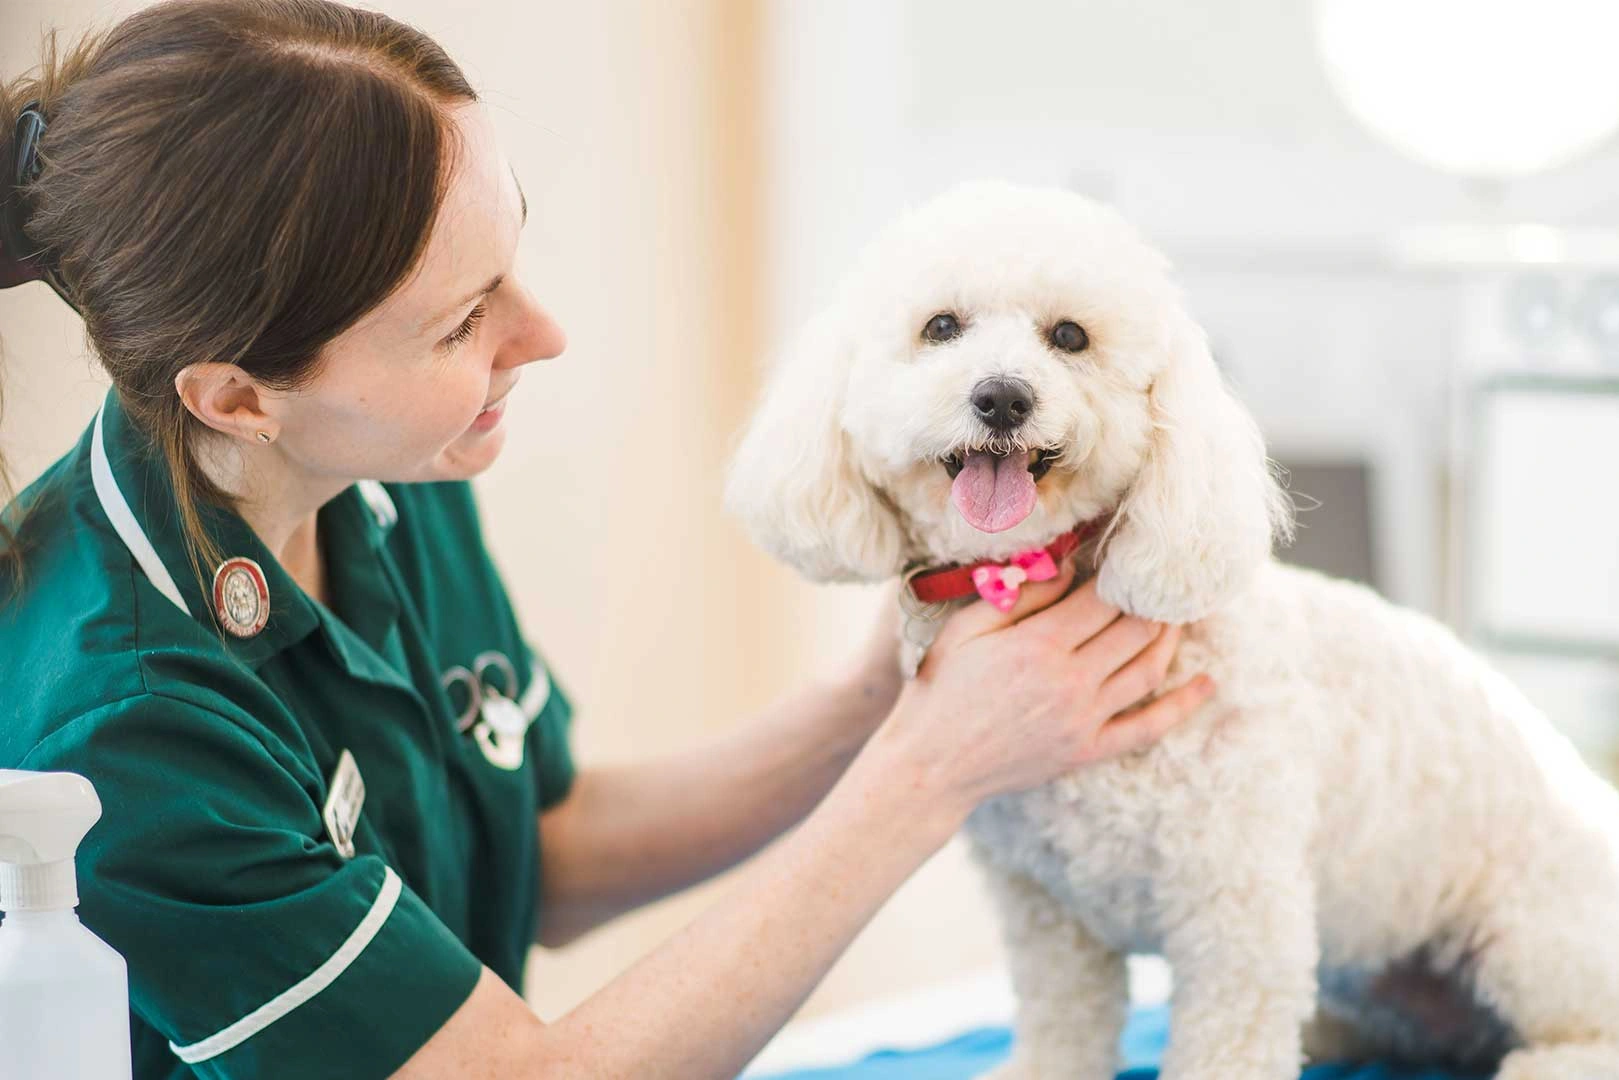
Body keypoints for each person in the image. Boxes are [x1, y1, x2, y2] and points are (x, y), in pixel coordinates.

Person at [0, 2, 1215, 1077]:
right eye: (466, 321)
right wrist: (931, 771)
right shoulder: (120, 731)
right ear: (238, 397)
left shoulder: (375, 463)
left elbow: (547, 852)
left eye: (511, 254)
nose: (543, 334)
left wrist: (879, 699)